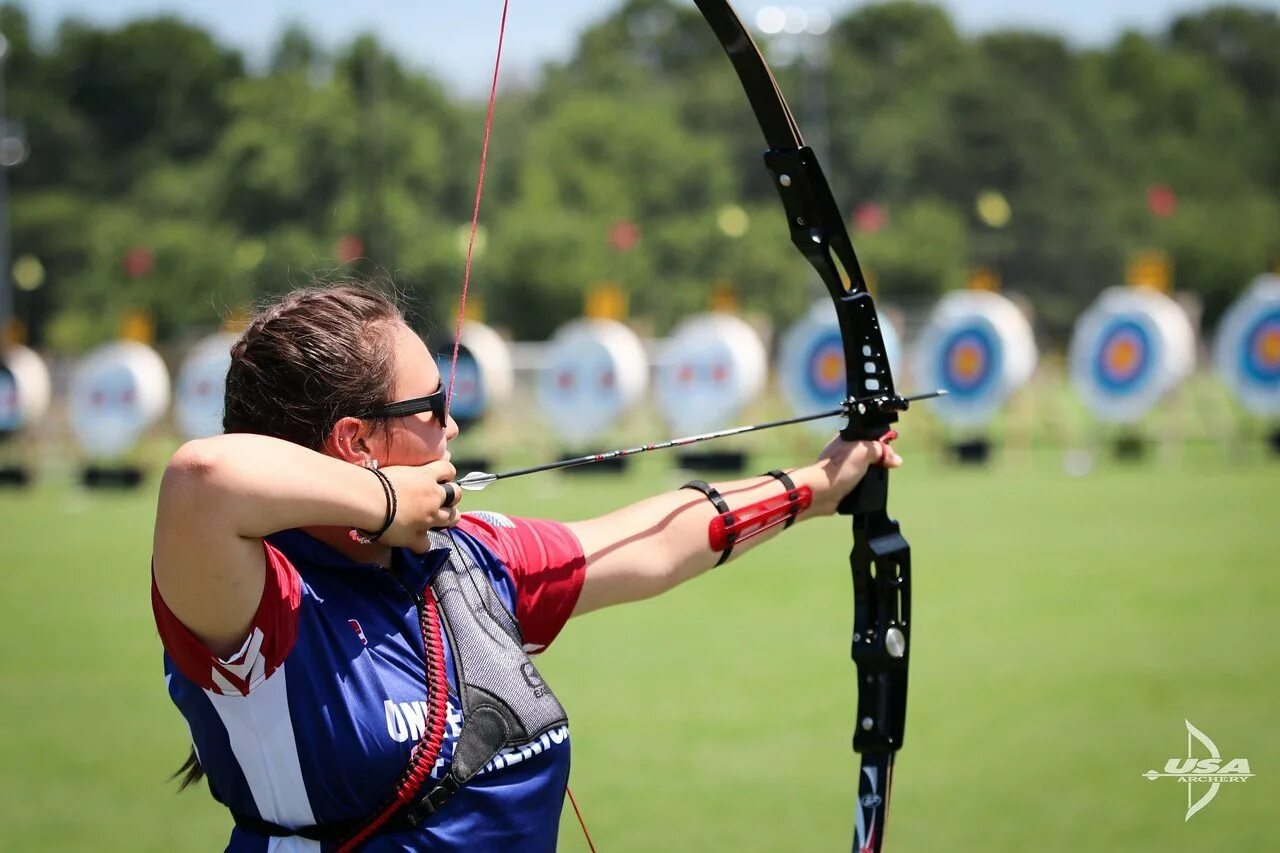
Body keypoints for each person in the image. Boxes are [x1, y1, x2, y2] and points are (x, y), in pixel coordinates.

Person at [151, 283, 903, 852]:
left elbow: (651, 541)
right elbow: (201, 479)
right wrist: (387, 500)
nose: (452, 425)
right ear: (357, 442)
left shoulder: (463, 561)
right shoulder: (263, 608)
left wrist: (819, 485)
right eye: (431, 405)